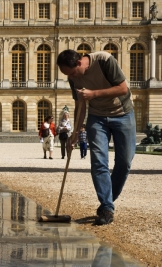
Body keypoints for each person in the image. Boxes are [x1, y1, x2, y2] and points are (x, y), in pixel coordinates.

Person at [57, 49, 136, 226]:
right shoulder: (73, 77)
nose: (71, 77)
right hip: (97, 117)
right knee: (99, 161)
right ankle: (107, 207)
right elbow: (80, 105)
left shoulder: (104, 60)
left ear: (79, 63)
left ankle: (106, 201)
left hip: (122, 113)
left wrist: (93, 94)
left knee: (125, 162)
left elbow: (123, 88)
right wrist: (75, 134)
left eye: (71, 73)